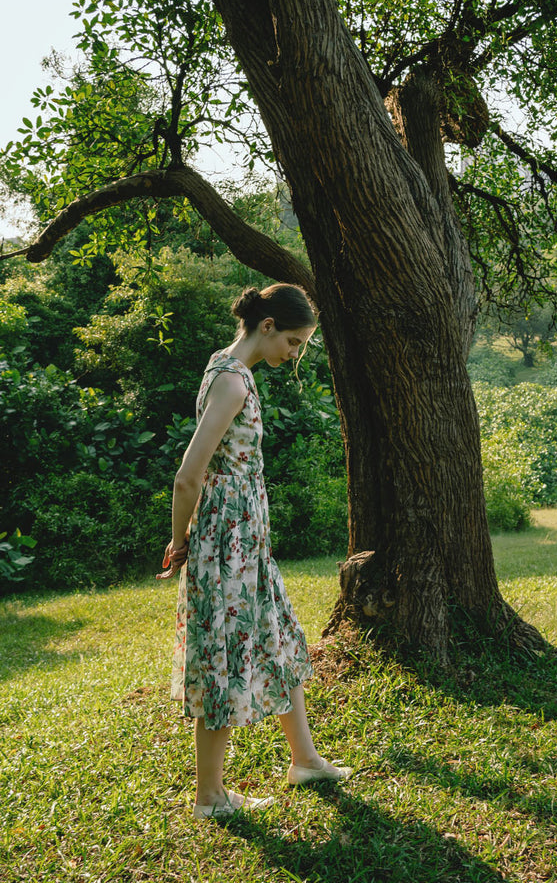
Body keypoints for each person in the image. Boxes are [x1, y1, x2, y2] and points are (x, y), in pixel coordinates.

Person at [157, 283, 351, 820]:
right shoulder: (232, 383)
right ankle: (210, 796)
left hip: (245, 539)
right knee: (225, 653)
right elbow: (187, 477)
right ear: (267, 326)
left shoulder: (223, 367)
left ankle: (306, 760)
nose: (294, 354)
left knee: (279, 638)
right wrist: (180, 543)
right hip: (227, 542)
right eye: (292, 342)